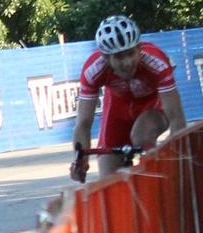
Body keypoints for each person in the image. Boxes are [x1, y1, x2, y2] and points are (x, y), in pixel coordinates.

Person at [70, 15, 187, 181]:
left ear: (139, 49)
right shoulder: (93, 71)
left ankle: (154, 179)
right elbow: (83, 124)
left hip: (152, 106)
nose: (126, 63)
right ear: (106, 58)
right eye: (118, 57)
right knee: (108, 178)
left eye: (131, 54)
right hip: (118, 110)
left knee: (141, 135)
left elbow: (176, 118)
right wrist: (79, 161)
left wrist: (178, 159)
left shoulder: (157, 62)